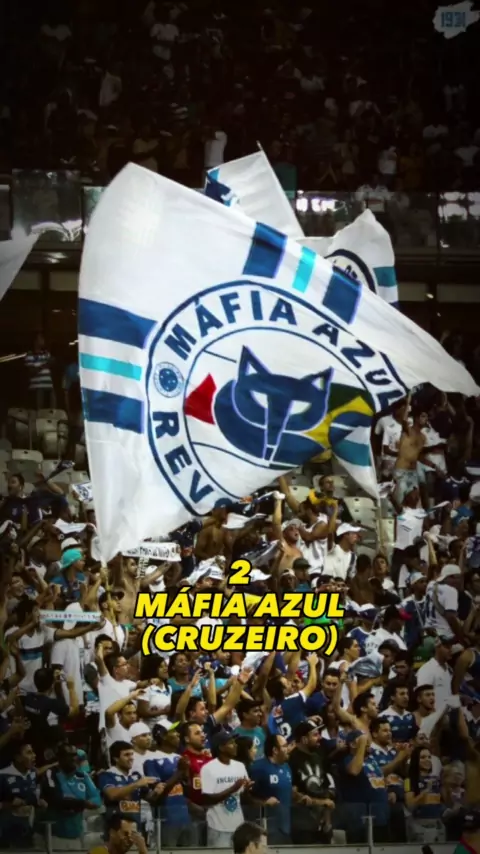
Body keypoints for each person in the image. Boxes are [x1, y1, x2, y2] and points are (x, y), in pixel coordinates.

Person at [200, 731, 252, 847]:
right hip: (217, 827)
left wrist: (247, 789)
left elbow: (243, 797)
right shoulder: (208, 769)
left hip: (239, 826)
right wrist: (233, 788)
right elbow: (207, 800)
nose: (236, 745)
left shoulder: (240, 766)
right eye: (231, 743)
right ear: (221, 748)